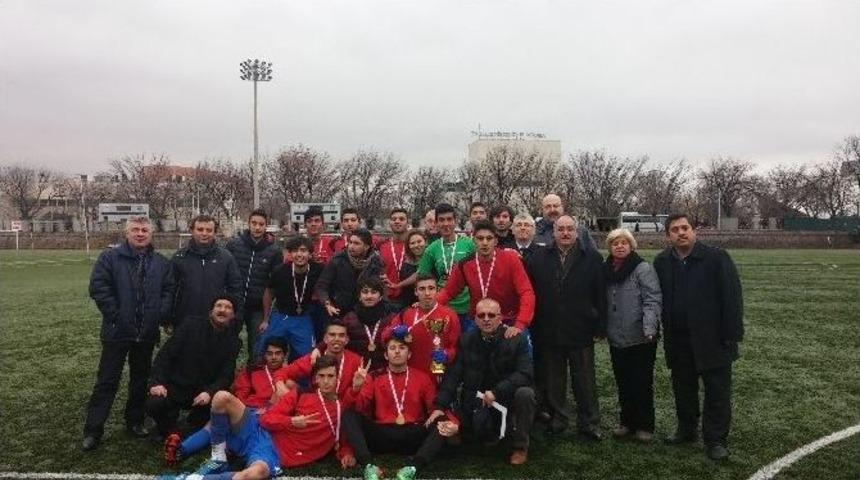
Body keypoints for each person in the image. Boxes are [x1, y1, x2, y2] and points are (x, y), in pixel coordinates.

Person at [160, 355, 354, 478]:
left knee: (256, 474)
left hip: (272, 451)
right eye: (322, 376)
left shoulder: (341, 408)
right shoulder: (300, 395)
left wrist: (346, 453)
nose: (327, 381)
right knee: (221, 397)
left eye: (331, 376)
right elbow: (266, 420)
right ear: (315, 379)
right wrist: (291, 420)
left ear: (338, 378)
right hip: (258, 431)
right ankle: (218, 456)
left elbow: (343, 437)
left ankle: (189, 478)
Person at [653, 213, 744, 461]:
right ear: (668, 235)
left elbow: (732, 297)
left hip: (713, 339)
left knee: (717, 392)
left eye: (685, 228)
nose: (681, 233)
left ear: (694, 231)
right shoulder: (662, 262)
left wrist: (731, 334)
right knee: (683, 388)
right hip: (679, 339)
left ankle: (715, 440)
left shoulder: (716, 258)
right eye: (675, 229)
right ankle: (687, 429)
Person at [82, 216, 175, 451]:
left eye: (145, 230)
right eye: (135, 229)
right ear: (127, 233)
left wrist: (158, 315)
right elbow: (98, 287)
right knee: (106, 381)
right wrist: (116, 314)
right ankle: (93, 430)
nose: (140, 233)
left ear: (151, 234)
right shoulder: (110, 258)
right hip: (117, 331)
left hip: (146, 333)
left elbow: (169, 290)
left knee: (140, 380)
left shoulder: (161, 263)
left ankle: (134, 421)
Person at [526, 215, 606, 439]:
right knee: (554, 380)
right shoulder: (539, 257)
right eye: (561, 229)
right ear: (554, 232)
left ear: (577, 232)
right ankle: (559, 420)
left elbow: (600, 295)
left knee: (585, 380)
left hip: (581, 328)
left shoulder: (592, 258)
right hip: (549, 328)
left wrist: (600, 325)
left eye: (570, 229)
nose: (565, 233)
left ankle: (589, 423)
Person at [430, 298, 535, 465]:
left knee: (525, 393)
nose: (486, 319)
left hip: (505, 399)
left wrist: (497, 391)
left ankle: (520, 447)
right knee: (453, 434)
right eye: (481, 315)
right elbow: (454, 375)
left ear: (500, 317)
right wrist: (440, 406)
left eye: (491, 315)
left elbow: (526, 373)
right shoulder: (466, 340)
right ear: (475, 319)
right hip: (475, 400)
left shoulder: (517, 339)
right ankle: (475, 429)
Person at [342, 330, 458, 480]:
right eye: (392, 348)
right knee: (349, 415)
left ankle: (413, 467)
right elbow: (359, 408)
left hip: (412, 434)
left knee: (441, 421)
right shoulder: (374, 376)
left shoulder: (422, 378)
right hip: (382, 433)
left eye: (402, 348)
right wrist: (356, 388)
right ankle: (369, 466)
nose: (397, 351)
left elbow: (435, 408)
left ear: (409, 354)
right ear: (386, 355)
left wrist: (452, 423)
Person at [147, 295, 241, 442]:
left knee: (220, 404)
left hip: (202, 393)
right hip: (176, 386)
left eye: (228, 308)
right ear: (211, 312)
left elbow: (226, 375)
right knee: (155, 403)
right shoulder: (190, 325)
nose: (223, 310)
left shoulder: (234, 342)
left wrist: (209, 393)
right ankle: (169, 429)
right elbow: (165, 356)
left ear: (233, 316)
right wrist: (156, 383)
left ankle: (187, 428)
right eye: (219, 306)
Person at [603, 228, 662, 443]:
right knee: (623, 381)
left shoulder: (642, 268)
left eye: (624, 242)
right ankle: (627, 421)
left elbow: (652, 299)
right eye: (615, 243)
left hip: (641, 337)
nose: (619, 246)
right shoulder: (606, 269)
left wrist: (650, 328)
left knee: (641, 382)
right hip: (617, 337)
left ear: (631, 245)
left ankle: (645, 424)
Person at [438, 220, 535, 337]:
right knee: (466, 347)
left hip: (509, 319)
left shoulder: (511, 260)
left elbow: (526, 293)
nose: (485, 243)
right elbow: (448, 292)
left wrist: (520, 324)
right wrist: (427, 305)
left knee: (520, 345)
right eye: (480, 238)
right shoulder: (465, 264)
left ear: (495, 241)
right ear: (473, 240)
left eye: (489, 238)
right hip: (479, 320)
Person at [403, 203, 474, 331]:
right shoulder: (431, 249)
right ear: (436, 223)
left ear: (455, 221)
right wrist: (422, 298)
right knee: (442, 343)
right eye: (441, 220)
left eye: (449, 219)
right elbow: (421, 276)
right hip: (443, 304)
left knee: (466, 345)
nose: (446, 224)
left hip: (468, 306)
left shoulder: (469, 244)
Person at [226, 209, 283, 364]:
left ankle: (255, 377)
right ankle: (226, 377)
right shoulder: (234, 244)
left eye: (261, 224)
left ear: (266, 226)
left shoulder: (274, 251)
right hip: (234, 304)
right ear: (248, 224)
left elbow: (275, 283)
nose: (257, 227)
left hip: (258, 307)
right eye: (254, 223)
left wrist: (267, 315)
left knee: (257, 345)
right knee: (227, 342)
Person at [170, 215, 242, 328]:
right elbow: (170, 290)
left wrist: (236, 316)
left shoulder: (226, 257)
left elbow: (236, 289)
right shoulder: (179, 258)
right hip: (185, 320)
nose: (204, 233)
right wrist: (169, 317)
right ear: (192, 231)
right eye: (200, 229)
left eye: (209, 230)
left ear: (215, 232)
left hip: (217, 321)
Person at [259, 236, 322, 362]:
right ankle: (265, 379)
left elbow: (326, 288)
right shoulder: (280, 271)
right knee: (263, 350)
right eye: (295, 250)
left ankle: (300, 381)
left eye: (303, 250)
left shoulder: (318, 270)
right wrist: (266, 319)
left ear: (310, 254)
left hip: (303, 317)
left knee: (308, 357)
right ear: (290, 253)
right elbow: (269, 292)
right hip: (282, 316)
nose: (299, 254)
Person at [387, 273, 460, 379]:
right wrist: (394, 331)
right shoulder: (406, 313)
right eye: (422, 289)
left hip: (438, 373)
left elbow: (456, 347)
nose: (427, 293)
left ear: (437, 290)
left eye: (431, 288)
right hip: (411, 374)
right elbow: (385, 335)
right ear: (416, 292)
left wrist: (446, 354)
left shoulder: (450, 315)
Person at [272, 320, 363, 398]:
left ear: (347, 340)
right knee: (288, 384)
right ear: (325, 339)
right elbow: (281, 372)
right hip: (317, 404)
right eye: (332, 335)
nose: (336, 339)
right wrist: (280, 385)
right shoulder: (315, 358)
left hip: (344, 405)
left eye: (341, 335)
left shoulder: (356, 360)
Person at [316, 228, 385, 319]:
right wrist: (327, 303)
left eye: (356, 243)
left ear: (367, 246)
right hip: (338, 311)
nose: (351, 246)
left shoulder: (376, 262)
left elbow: (378, 288)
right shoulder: (337, 260)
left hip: (364, 313)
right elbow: (322, 285)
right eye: (350, 242)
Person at [342, 277, 397, 370]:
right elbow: (336, 335)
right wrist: (319, 348)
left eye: (374, 292)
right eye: (365, 292)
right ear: (359, 296)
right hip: (356, 369)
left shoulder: (391, 318)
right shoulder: (349, 318)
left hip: (384, 369)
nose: (369, 296)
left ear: (380, 296)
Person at [231, 337, 289, 409]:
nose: (273, 357)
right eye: (269, 354)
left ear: (284, 355)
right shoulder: (251, 372)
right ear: (264, 355)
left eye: (278, 353)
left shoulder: (292, 373)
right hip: (255, 413)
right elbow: (240, 400)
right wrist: (266, 405)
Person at [378, 208, 410, 307]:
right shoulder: (382, 245)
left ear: (407, 223)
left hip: (410, 298)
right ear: (389, 223)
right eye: (394, 219)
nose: (397, 221)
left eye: (401, 219)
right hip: (387, 299)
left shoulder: (414, 245)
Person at [395, 229, 428, 308]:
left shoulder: (434, 262)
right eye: (412, 243)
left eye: (419, 241)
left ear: (426, 242)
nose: (416, 245)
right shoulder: (406, 265)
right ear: (408, 246)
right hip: (409, 307)